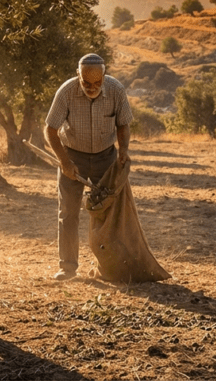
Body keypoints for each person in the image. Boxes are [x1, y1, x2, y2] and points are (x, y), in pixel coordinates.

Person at [45, 53, 133, 280]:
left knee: (109, 212)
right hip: (73, 157)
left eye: (97, 83)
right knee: (68, 213)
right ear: (78, 75)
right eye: (86, 83)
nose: (92, 87)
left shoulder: (116, 89)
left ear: (104, 76)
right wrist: (65, 162)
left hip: (106, 157)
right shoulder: (66, 91)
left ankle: (109, 267)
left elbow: (123, 124)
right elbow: (50, 130)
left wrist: (123, 150)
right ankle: (67, 267)